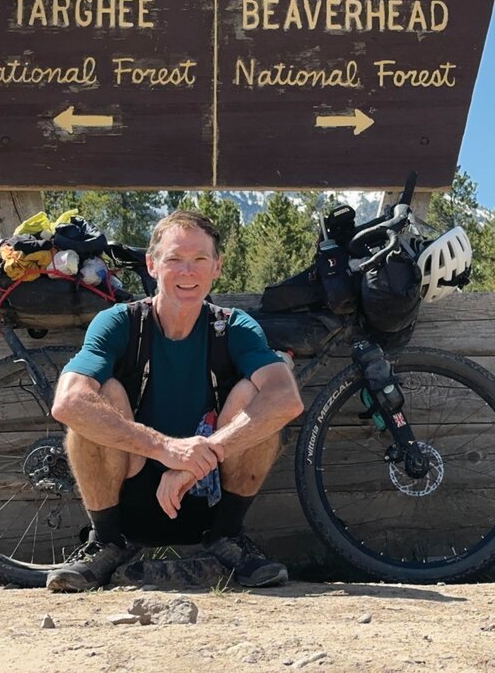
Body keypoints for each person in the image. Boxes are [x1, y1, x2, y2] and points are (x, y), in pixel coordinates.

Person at [47, 209, 304, 592]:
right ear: (152, 264)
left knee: (258, 398)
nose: (188, 272)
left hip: (210, 497)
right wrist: (165, 448)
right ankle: (105, 542)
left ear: (217, 267)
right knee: (99, 396)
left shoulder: (232, 326)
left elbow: (286, 399)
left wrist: (199, 459)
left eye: (200, 259)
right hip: (131, 493)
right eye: (175, 259)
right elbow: (67, 403)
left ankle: (228, 538)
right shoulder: (121, 322)